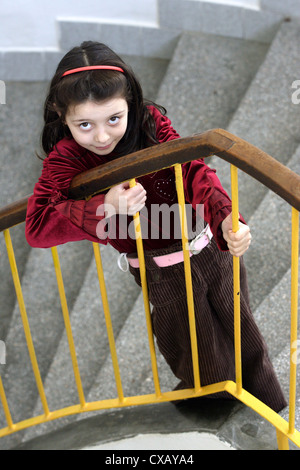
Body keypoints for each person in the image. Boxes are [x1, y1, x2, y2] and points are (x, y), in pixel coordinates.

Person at [25, 41, 287, 412]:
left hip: (214, 250)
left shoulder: (149, 122)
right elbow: (37, 226)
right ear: (60, 114)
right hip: (163, 275)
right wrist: (105, 207)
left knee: (247, 340)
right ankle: (214, 424)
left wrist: (225, 215)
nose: (102, 137)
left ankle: (269, 419)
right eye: (84, 124)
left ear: (130, 101)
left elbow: (193, 168)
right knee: (200, 360)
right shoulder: (66, 159)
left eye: (114, 118)